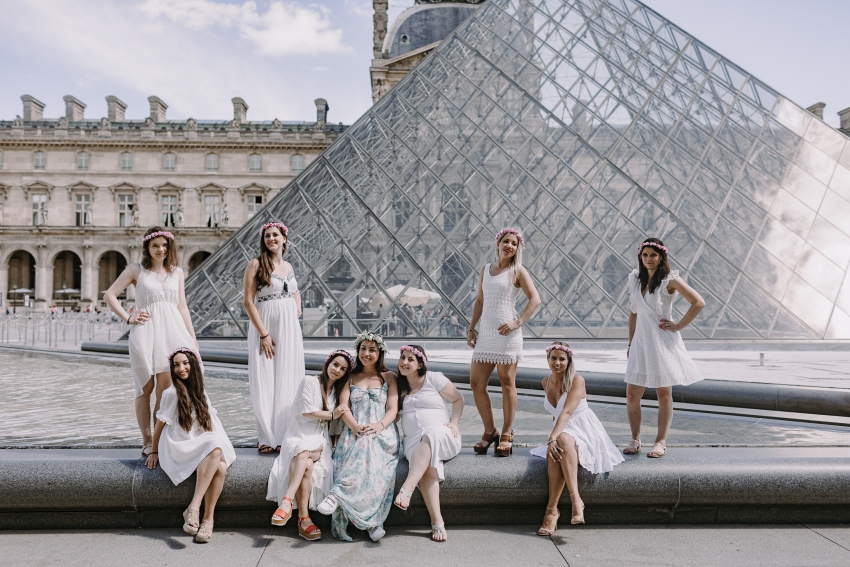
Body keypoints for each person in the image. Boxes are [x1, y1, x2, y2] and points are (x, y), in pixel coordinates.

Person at [104, 227, 199, 457]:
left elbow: (182, 307)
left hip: (172, 331)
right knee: (145, 387)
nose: (161, 249)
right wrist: (129, 317)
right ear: (147, 246)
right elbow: (109, 295)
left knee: (165, 390)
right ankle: (146, 439)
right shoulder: (137, 269)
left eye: (164, 245)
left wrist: (193, 339)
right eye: (155, 245)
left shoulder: (177, 272)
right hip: (145, 331)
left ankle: (159, 438)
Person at [624, 238, 706, 458]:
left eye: (653, 255)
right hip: (641, 341)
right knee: (632, 394)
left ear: (661, 257)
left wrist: (678, 325)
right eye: (645, 255)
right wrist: (631, 342)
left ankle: (660, 441)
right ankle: (635, 438)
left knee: (663, 394)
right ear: (640, 257)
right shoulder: (635, 279)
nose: (649, 259)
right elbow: (633, 313)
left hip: (662, 341)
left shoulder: (670, 279)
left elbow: (698, 302)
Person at [144, 348, 236, 543]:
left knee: (220, 464)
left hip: (199, 440)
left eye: (185, 363)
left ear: (193, 365)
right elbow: (159, 423)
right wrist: (154, 450)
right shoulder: (171, 393)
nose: (181, 368)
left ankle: (207, 520)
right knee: (214, 445)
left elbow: (210, 423)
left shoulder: (200, 391)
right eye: (176, 365)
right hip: (179, 443)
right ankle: (194, 507)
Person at [532, 343, 623, 535]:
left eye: (562, 359)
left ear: (569, 361)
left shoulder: (577, 380)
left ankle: (567, 503)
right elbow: (556, 414)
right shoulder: (545, 382)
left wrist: (553, 436)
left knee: (561, 441)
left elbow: (566, 411)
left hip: (585, 429)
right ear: (547, 359)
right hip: (563, 430)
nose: (557, 363)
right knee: (559, 447)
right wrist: (554, 437)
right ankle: (559, 508)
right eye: (553, 358)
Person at [317, 332, 400, 542]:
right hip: (354, 428)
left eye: (372, 349)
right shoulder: (351, 376)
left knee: (369, 445)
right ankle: (370, 524)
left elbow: (392, 409)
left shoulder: (389, 377)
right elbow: (343, 407)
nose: (367, 353)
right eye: (363, 348)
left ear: (379, 352)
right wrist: (355, 427)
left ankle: (343, 500)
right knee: (358, 446)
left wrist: (378, 425)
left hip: (382, 431)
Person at [467, 227, 541, 457]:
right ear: (497, 242)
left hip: (507, 335)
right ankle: (490, 431)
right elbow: (480, 300)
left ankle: (507, 434)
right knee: (476, 383)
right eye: (506, 241)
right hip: (487, 334)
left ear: (518, 248)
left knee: (507, 382)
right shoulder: (485, 269)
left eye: (515, 243)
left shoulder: (517, 270)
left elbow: (535, 299)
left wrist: (517, 322)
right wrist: (471, 327)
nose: (510, 245)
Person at [267, 350, 353, 541]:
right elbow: (306, 411)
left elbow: (337, 427)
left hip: (320, 436)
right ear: (328, 363)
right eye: (335, 364)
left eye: (343, 369)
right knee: (304, 459)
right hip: (298, 433)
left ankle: (287, 503)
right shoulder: (309, 381)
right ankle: (302, 517)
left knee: (305, 453)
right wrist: (332, 414)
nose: (337, 370)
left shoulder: (338, 393)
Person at [243, 222, 305, 454]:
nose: (271, 238)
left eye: (275, 235)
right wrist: (264, 334)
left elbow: (294, 289)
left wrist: (297, 304)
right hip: (266, 325)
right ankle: (267, 436)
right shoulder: (256, 264)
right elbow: (248, 302)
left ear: (284, 239)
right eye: (267, 236)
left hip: (289, 327)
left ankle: (284, 434)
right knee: (265, 377)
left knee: (289, 376)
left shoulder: (288, 266)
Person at [394, 345, 463, 542]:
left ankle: (406, 489)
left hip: (443, 434)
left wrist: (454, 422)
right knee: (427, 467)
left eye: (410, 359)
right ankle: (437, 522)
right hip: (413, 442)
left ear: (420, 364)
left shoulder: (434, 379)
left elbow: (458, 399)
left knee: (431, 433)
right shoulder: (398, 386)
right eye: (402, 358)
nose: (404, 362)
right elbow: (395, 415)